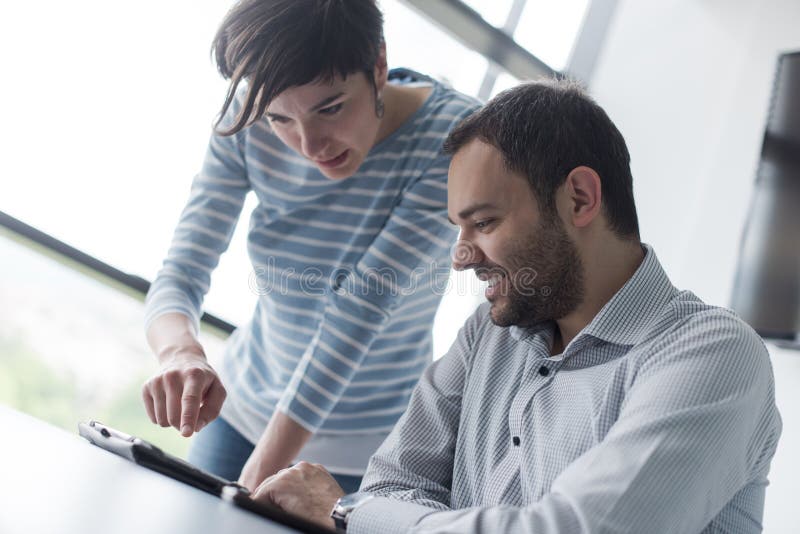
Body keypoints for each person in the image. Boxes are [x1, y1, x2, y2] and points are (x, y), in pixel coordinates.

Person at [249, 80, 783, 533]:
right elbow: (392, 483)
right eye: (458, 227)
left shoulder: (714, 356)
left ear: (579, 198)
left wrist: (350, 512)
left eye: (483, 223)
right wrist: (374, 511)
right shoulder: (491, 329)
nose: (460, 258)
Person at [140, 0, 480, 494]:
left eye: (331, 108)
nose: (310, 143)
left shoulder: (452, 138)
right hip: (242, 409)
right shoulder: (247, 118)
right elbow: (183, 268)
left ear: (379, 64)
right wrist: (179, 353)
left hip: (365, 447)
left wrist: (257, 479)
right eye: (281, 120)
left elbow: (361, 308)